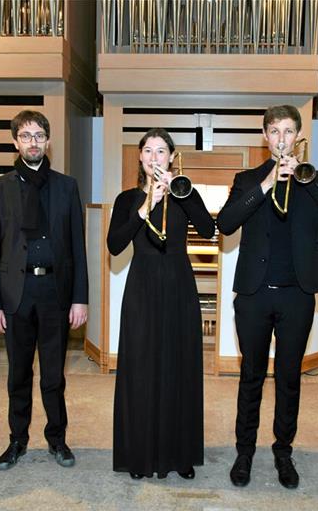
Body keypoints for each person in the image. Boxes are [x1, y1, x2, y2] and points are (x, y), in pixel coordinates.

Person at [217, 105, 318, 489]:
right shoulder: (247, 179)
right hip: (254, 295)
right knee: (251, 376)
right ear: (264, 136)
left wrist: (308, 181)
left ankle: (283, 451)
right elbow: (225, 224)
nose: (281, 138)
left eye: (288, 131)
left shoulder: (315, 179)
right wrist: (265, 185)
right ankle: (245, 452)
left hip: (298, 296)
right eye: (274, 131)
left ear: (298, 136)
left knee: (289, 377)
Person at [107, 128, 215, 480]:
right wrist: (145, 207)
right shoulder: (127, 199)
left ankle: (179, 454)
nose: (155, 157)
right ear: (140, 157)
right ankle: (139, 455)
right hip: (141, 288)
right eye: (149, 151)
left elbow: (208, 228)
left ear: (172, 157)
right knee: (140, 369)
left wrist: (179, 193)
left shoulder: (185, 192)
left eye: (162, 151)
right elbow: (114, 245)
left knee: (179, 366)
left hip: (179, 286)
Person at [0, 110, 88, 471]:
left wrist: (80, 297)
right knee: (19, 374)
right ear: (15, 142)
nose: (33, 142)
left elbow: (78, 247)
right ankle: (17, 440)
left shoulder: (67, 186)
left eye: (39, 135)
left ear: (48, 141)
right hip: (16, 293)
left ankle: (57, 439)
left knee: (54, 376)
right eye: (25, 135)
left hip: (55, 292)